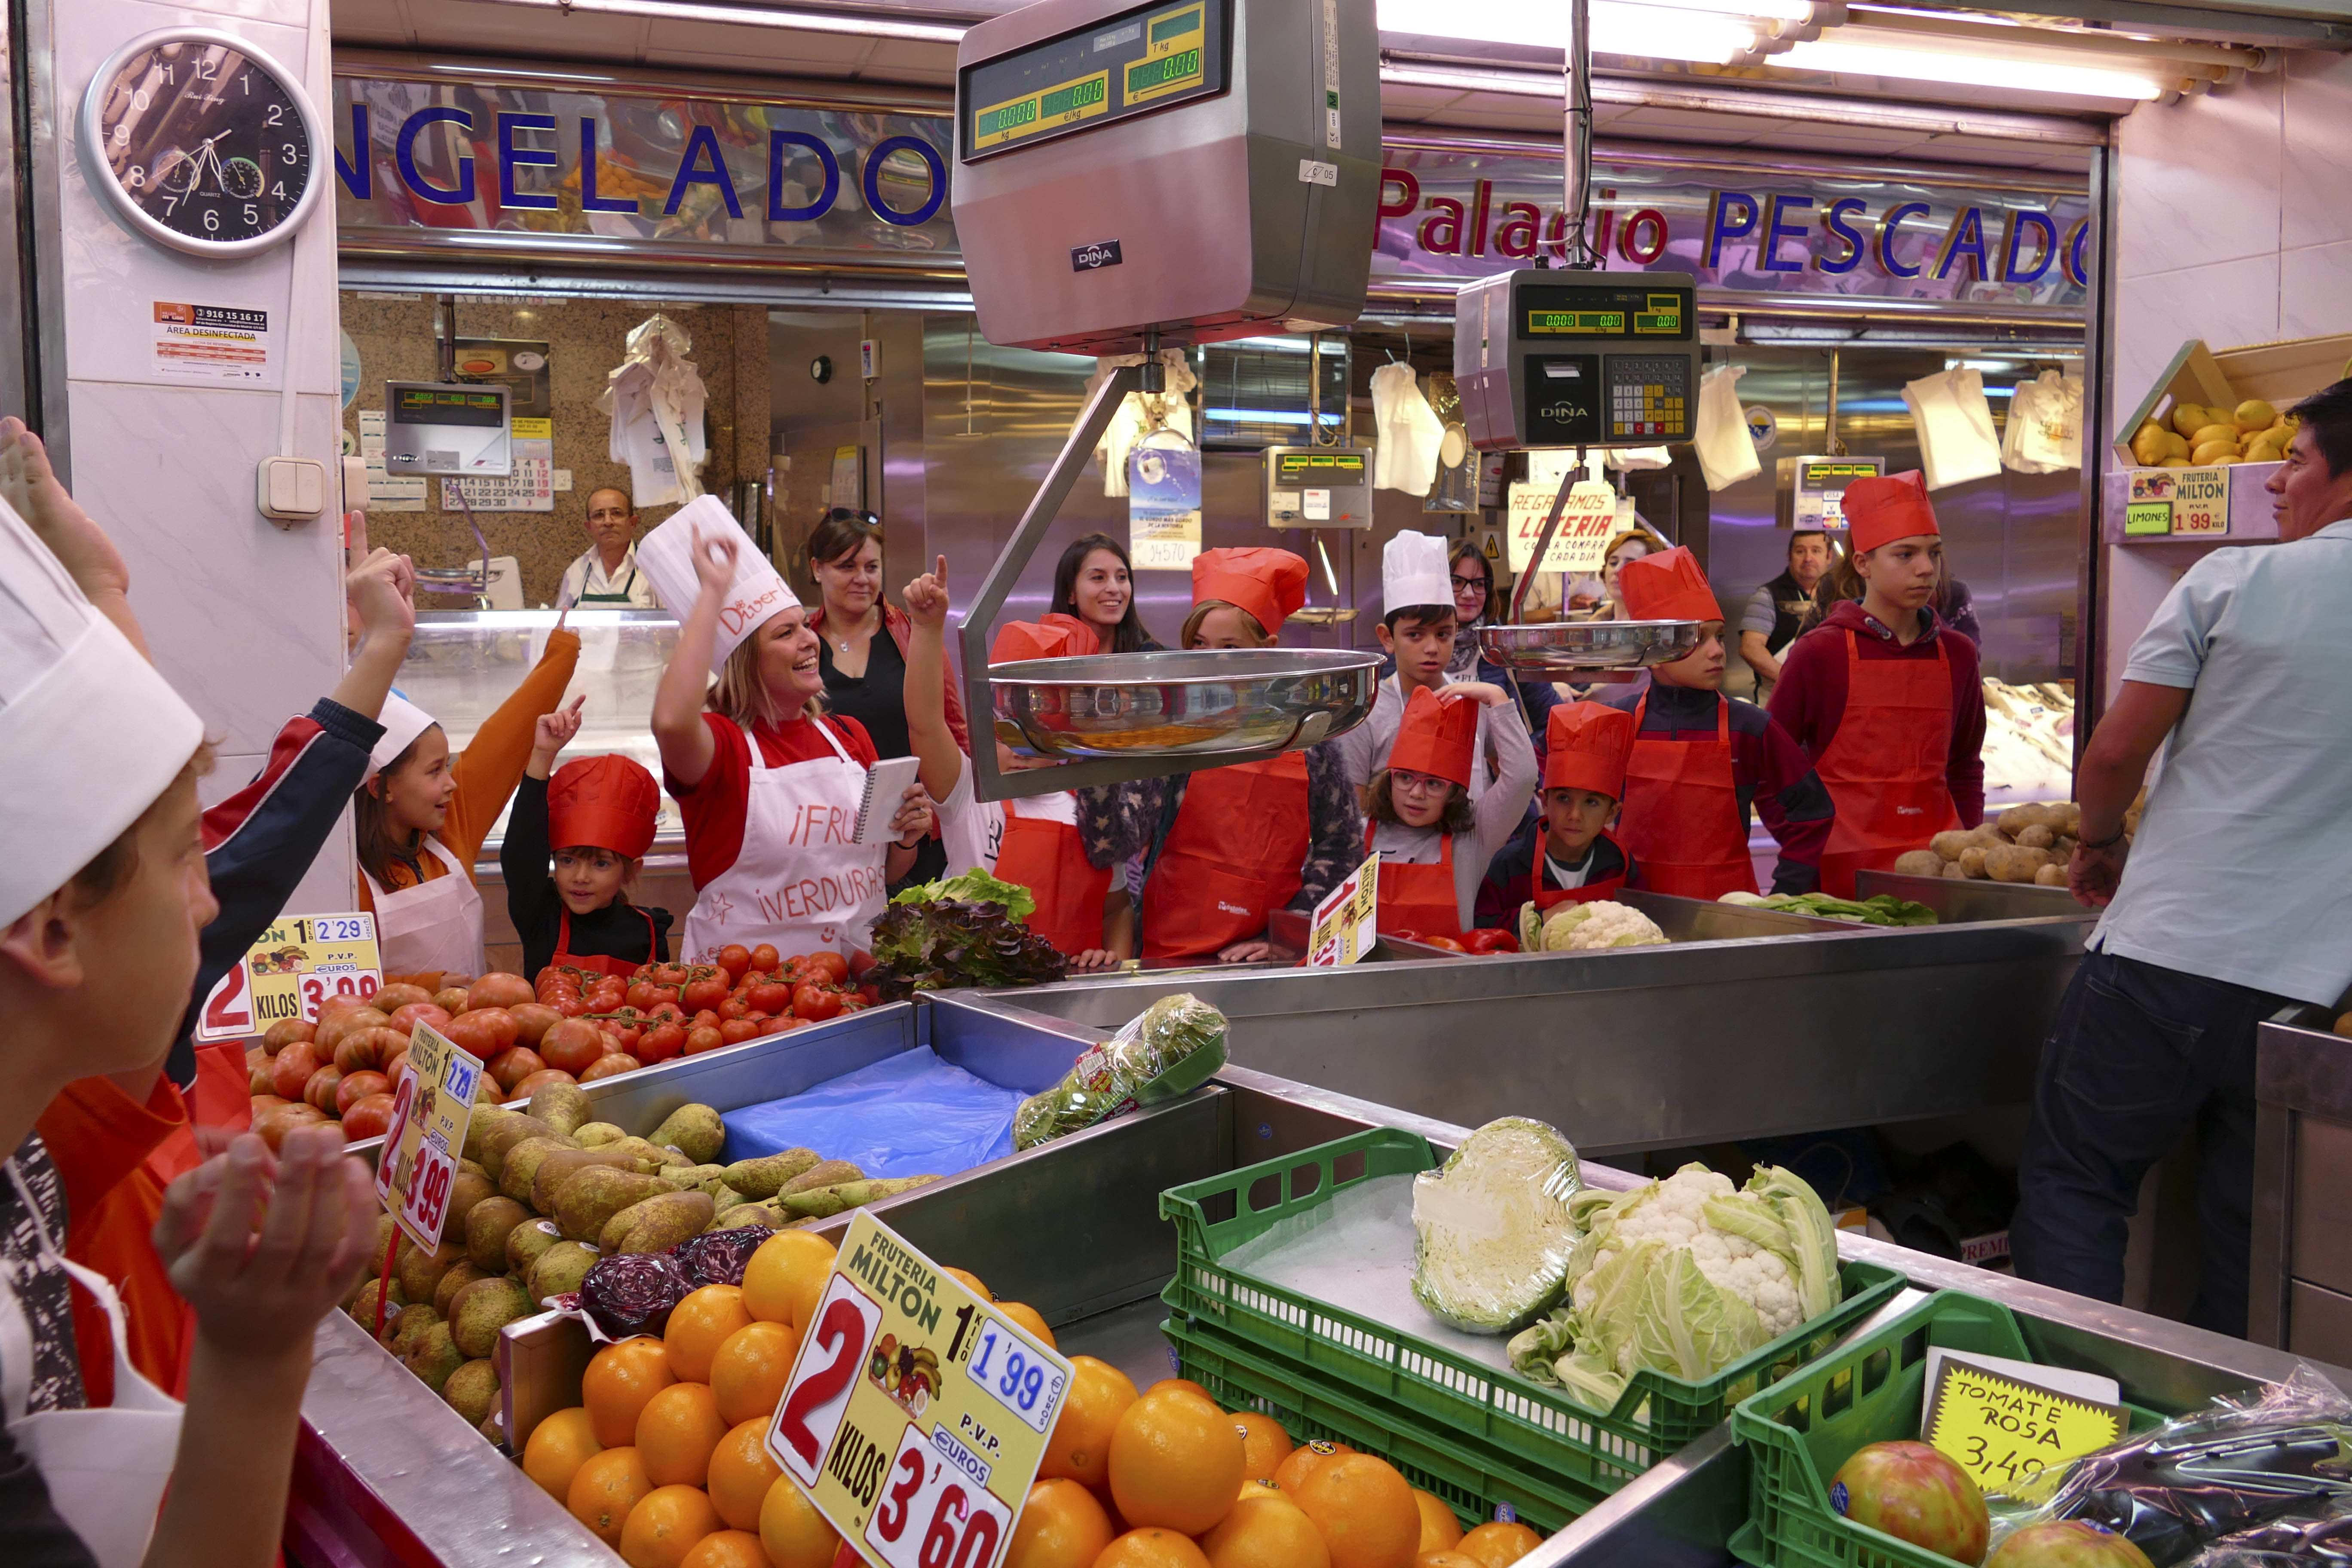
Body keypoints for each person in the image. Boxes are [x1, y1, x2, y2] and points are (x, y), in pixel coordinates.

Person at [0, 483, 375, 1568]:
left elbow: (96, 815)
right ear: (51, 934)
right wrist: (256, 1357)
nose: (211, 902)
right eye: (183, 861)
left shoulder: (28, 1151)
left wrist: (103, 594)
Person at [2010, 381, 2352, 1337]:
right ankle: (2218, 1424)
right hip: (2312, 995)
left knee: (2078, 1183)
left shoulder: (2232, 579)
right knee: (2256, 1235)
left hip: (2164, 959)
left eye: (2295, 462)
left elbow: (2113, 756)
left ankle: (2068, 1398)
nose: (2275, 482)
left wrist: (2098, 840)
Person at [643, 505, 931, 962]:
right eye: (785, 633)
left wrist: (907, 837)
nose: (809, 639)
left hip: (857, 979)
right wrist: (713, 593)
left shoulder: (848, 736)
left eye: (804, 625)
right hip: (751, 990)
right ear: (747, 662)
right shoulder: (722, 747)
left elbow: (883, 871)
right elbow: (672, 722)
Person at [1080, 548, 1360, 964]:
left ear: (1266, 649)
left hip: (1267, 966)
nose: (1210, 662)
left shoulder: (1311, 741)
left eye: (1230, 647)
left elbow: (1342, 851)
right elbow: (1114, 847)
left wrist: (1289, 934)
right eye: (1199, 644)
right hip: (1166, 956)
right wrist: (1095, 756)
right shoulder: (1171, 735)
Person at [1768, 472, 1984, 897]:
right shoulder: (1820, 652)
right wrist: (1802, 845)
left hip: (1938, 874)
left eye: (1934, 553)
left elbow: (1964, 764)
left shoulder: (1958, 655)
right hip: (1837, 880)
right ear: (1863, 564)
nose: (1926, 569)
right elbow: (1770, 765)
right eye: (1905, 555)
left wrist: (1967, 846)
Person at [896, 582, 1124, 969]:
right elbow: (924, 724)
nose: (1020, 749)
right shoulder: (968, 792)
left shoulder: (1096, 809)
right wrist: (927, 628)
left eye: (1037, 733)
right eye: (1004, 731)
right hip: (978, 989)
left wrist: (1113, 961)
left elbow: (1117, 909)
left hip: (1078, 991)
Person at [353, 622, 579, 981]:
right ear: (383, 787)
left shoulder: (450, 827)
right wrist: (425, 986)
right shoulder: (347, 877)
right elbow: (337, 979)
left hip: (473, 1017)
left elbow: (506, 737)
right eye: (434, 771)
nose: (452, 784)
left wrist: (563, 650)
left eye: (447, 766)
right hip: (390, 1021)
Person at [1608, 547, 1835, 899]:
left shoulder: (1750, 727)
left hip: (1726, 914)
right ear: (1653, 653)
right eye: (1697, 639)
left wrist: (1785, 893)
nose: (1716, 651)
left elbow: (1813, 812)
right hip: (1633, 914)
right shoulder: (1616, 724)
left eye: (1719, 636)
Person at [803, 508, 970, 888]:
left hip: (918, 830)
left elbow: (953, 729)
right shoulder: (799, 644)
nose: (862, 579)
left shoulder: (914, 634)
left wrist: (960, 817)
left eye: (872, 567)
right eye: (847, 567)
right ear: (817, 568)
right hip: (831, 838)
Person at [1338, 532, 1534, 805]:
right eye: (1415, 635)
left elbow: (1515, 783)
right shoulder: (1366, 715)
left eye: (1443, 634)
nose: (1432, 648)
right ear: (1387, 638)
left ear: (1455, 630)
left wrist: (1499, 699)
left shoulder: (1474, 703)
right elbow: (1355, 812)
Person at [501, 703, 673, 983]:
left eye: (601, 864)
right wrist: (543, 755)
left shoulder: (650, 931)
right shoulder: (542, 915)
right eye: (568, 860)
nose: (581, 877)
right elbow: (521, 855)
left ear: (632, 870)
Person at [1365, 685, 1538, 939]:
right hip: (1369, 965)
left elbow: (1523, 778)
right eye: (1405, 778)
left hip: (1450, 964)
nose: (1416, 793)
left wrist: (1497, 698)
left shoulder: (1473, 838)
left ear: (1454, 794)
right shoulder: (1357, 835)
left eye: (1434, 784)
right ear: (1389, 779)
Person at [1480, 702, 1640, 917]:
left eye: (1592, 802)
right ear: (1545, 801)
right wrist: (1537, 920)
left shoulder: (1620, 864)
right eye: (1564, 798)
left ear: (1612, 812)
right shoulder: (1510, 864)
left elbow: (1641, 918)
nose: (1575, 815)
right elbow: (1484, 924)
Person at [1446, 539, 1559, 773]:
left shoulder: (1510, 649)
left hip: (1495, 787)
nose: (1469, 594)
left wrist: (1516, 763)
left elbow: (1553, 723)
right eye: (1456, 582)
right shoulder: (1410, 649)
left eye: (1479, 584)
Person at [1739, 529, 1837, 697]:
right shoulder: (1767, 595)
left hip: (1830, 696)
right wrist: (1792, 681)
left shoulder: (1840, 595)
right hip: (1778, 696)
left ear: (1829, 557)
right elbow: (1750, 648)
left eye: (1816, 551)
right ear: (1789, 556)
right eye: (1800, 551)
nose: (1808, 558)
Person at [1051, 532, 1161, 652]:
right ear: (1070, 592)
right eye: (1098, 578)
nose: (1114, 589)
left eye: (1122, 577)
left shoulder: (1155, 658)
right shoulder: (1048, 658)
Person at [554, 487, 662, 609]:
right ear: (589, 526)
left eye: (616, 513)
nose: (608, 522)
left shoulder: (655, 569)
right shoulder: (576, 572)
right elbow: (562, 620)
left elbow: (675, 620)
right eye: (599, 515)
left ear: (633, 522)